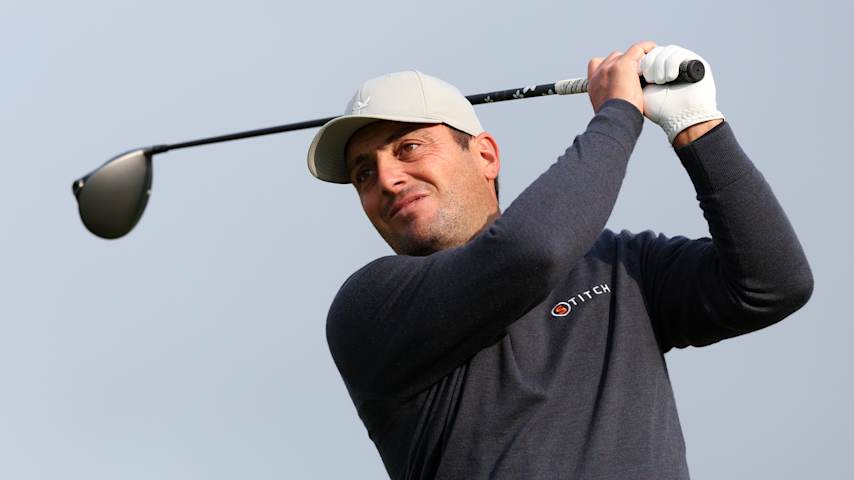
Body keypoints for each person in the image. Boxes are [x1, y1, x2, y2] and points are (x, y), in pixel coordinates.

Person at [306, 41, 813, 479]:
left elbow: (772, 284)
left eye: (409, 148)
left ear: (485, 156)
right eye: (364, 174)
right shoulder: (368, 306)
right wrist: (618, 113)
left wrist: (696, 126)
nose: (387, 179)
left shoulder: (617, 265)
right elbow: (530, 251)